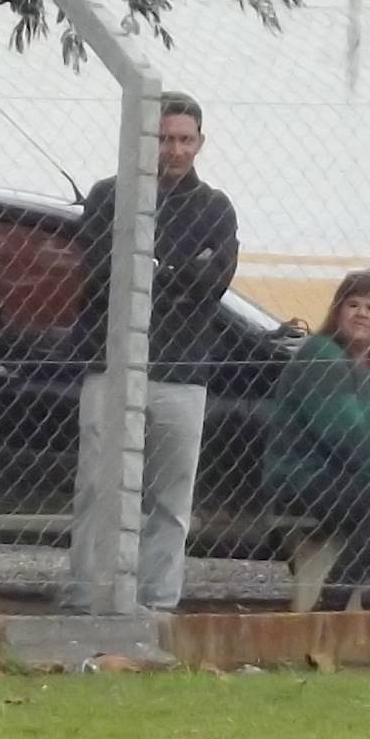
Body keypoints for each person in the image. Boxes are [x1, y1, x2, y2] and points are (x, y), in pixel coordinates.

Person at [74, 94, 239, 612]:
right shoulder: (109, 196)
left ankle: (159, 602)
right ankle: (87, 597)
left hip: (182, 371)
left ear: (200, 143)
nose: (174, 149)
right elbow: (104, 273)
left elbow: (212, 284)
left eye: (184, 139)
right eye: (164, 138)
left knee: (170, 500)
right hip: (112, 364)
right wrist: (180, 266)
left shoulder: (215, 208)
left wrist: (156, 265)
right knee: (99, 490)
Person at [264, 272, 370, 597]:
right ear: (338, 311)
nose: (361, 313)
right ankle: (334, 597)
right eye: (352, 304)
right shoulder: (321, 355)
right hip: (309, 476)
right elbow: (347, 434)